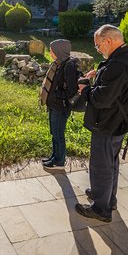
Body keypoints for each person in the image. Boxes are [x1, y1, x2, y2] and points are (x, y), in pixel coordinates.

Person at [75, 24, 128, 223]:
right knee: (111, 163)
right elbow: (120, 88)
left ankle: (101, 209)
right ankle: (108, 198)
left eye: (98, 46)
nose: (97, 50)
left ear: (108, 41)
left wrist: (84, 89)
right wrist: (98, 76)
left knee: (101, 166)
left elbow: (101, 99)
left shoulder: (117, 65)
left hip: (108, 122)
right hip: (121, 121)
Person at [39, 39, 79, 169]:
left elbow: (71, 91)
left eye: (52, 50)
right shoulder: (58, 63)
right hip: (54, 105)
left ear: (59, 51)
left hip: (60, 107)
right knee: (54, 133)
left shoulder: (68, 66)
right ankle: (54, 156)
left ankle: (59, 161)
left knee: (58, 134)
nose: (50, 52)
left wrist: (56, 96)